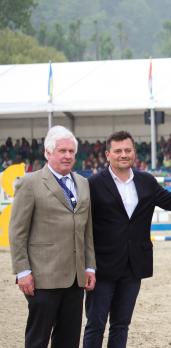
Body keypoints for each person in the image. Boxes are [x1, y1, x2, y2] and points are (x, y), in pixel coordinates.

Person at [83, 131, 171, 348]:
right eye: (118, 151)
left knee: (121, 325)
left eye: (128, 150)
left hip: (133, 265)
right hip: (102, 267)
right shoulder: (92, 184)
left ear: (134, 153)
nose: (123, 154)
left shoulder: (146, 181)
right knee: (95, 324)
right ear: (107, 154)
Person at [9, 125, 96, 347]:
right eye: (62, 151)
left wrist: (89, 267)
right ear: (48, 153)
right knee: (38, 339)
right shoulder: (29, 183)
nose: (68, 156)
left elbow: (86, 230)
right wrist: (23, 271)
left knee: (68, 340)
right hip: (41, 277)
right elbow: (17, 231)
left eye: (71, 152)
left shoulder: (83, 183)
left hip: (75, 278)